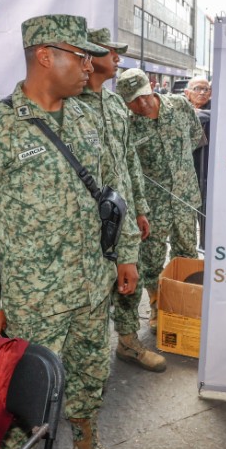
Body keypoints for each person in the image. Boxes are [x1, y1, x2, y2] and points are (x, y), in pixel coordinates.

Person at [0, 14, 135, 449]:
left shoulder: (86, 116)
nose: (88, 65)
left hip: (92, 283)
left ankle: (86, 447)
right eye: (79, 56)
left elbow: (116, 190)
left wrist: (127, 255)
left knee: (91, 369)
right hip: (32, 297)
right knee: (24, 387)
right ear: (44, 56)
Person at [79, 28, 160, 372]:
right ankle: (81, 361)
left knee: (130, 278)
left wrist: (140, 208)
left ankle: (128, 343)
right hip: (86, 218)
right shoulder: (68, 105)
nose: (118, 59)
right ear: (88, 54)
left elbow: (130, 162)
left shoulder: (114, 104)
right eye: (111, 51)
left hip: (122, 213)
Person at [116, 68, 204, 331]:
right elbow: (129, 166)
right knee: (151, 260)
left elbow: (196, 138)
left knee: (187, 253)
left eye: (143, 96)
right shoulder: (127, 124)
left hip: (185, 197)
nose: (141, 104)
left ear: (152, 86)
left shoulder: (179, 106)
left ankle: (185, 304)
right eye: (133, 100)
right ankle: (157, 305)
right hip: (153, 206)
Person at [184, 76, 211, 248]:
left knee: (206, 218)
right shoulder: (179, 108)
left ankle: (204, 250)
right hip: (185, 175)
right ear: (187, 93)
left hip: (207, 174)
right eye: (197, 89)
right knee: (185, 221)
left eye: (206, 89)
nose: (202, 92)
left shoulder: (215, 110)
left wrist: (195, 114)